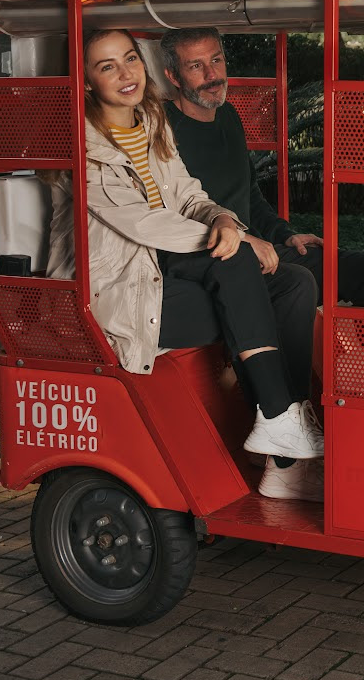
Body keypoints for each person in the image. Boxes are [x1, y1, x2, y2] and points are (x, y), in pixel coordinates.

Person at [47, 28, 324, 501]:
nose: (125, 73)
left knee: (294, 283)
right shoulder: (77, 145)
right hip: (119, 290)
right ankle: (281, 436)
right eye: (106, 66)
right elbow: (142, 223)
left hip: (170, 272)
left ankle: (281, 438)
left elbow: (188, 194)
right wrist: (232, 236)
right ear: (88, 81)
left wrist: (220, 218)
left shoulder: (151, 124)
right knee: (234, 263)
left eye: (130, 59)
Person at [159, 27, 364, 310]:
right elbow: (172, 215)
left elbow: (250, 196)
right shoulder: (161, 126)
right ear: (173, 76)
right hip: (213, 258)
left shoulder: (229, 115)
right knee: (298, 281)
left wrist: (285, 235)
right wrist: (245, 243)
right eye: (196, 66)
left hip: (256, 248)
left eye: (217, 60)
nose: (212, 75)